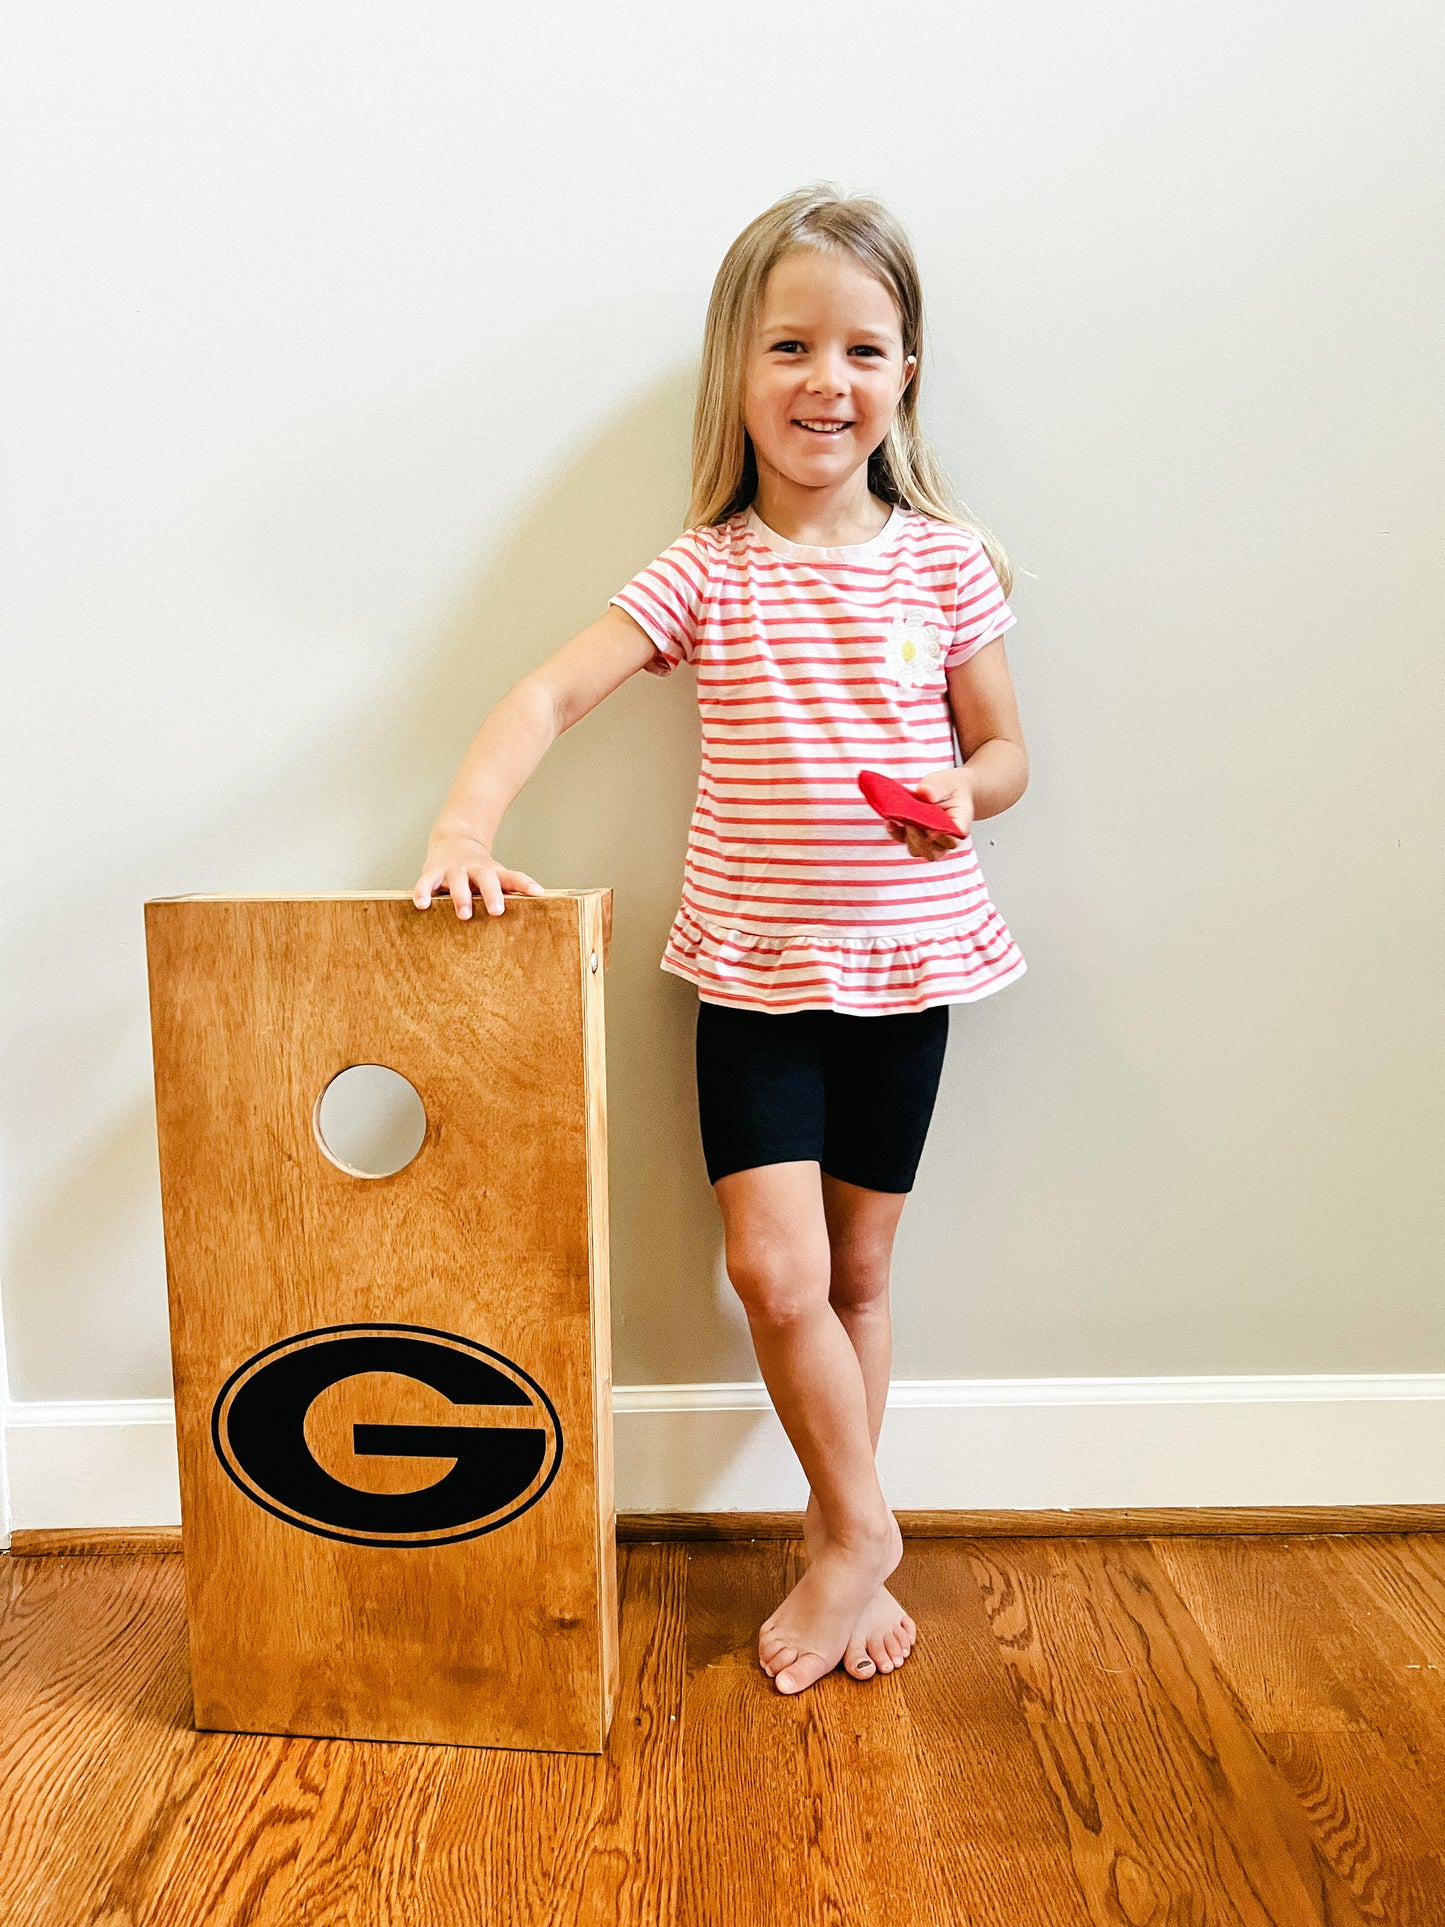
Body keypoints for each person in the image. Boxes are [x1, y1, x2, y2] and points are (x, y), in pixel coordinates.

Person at [412, 184, 1029, 1697]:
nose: (826, 380)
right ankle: (868, 1532)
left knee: (861, 1276)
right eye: (790, 347)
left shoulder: (944, 563)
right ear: (736, 374)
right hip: (751, 979)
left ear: (905, 376)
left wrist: (962, 790)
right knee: (773, 1275)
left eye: (861, 350)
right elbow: (548, 695)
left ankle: (835, 1539)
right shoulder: (707, 571)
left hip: (906, 968)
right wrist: (460, 831)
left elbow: (1007, 750)